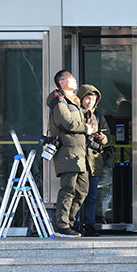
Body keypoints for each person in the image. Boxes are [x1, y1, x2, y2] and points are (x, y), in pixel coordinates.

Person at [45, 70, 94, 237]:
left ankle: (70, 223)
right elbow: (66, 122)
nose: (75, 80)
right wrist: (85, 128)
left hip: (79, 153)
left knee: (82, 190)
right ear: (62, 83)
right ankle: (62, 225)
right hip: (67, 151)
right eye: (72, 78)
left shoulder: (74, 101)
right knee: (68, 188)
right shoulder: (58, 101)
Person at [74, 84, 109, 237]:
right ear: (81, 98)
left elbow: (106, 139)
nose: (90, 102)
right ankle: (73, 224)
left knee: (92, 196)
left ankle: (89, 224)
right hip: (78, 161)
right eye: (87, 98)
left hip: (94, 163)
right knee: (77, 195)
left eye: (93, 99)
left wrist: (100, 137)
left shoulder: (98, 116)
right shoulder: (74, 114)